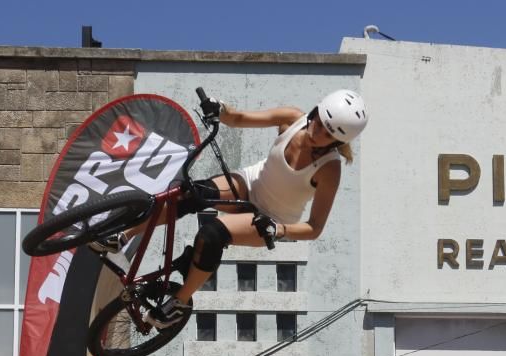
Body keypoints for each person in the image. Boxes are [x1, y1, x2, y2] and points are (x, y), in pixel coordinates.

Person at [143, 91, 368, 328]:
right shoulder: (292, 119)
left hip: (270, 219)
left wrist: (279, 230)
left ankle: (180, 302)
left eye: (327, 134)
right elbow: (238, 118)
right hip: (250, 183)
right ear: (317, 111)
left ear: (337, 142)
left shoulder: (329, 170)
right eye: (320, 122)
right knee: (189, 194)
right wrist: (220, 108)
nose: (317, 132)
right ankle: (120, 236)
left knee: (210, 235)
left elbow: (315, 227)